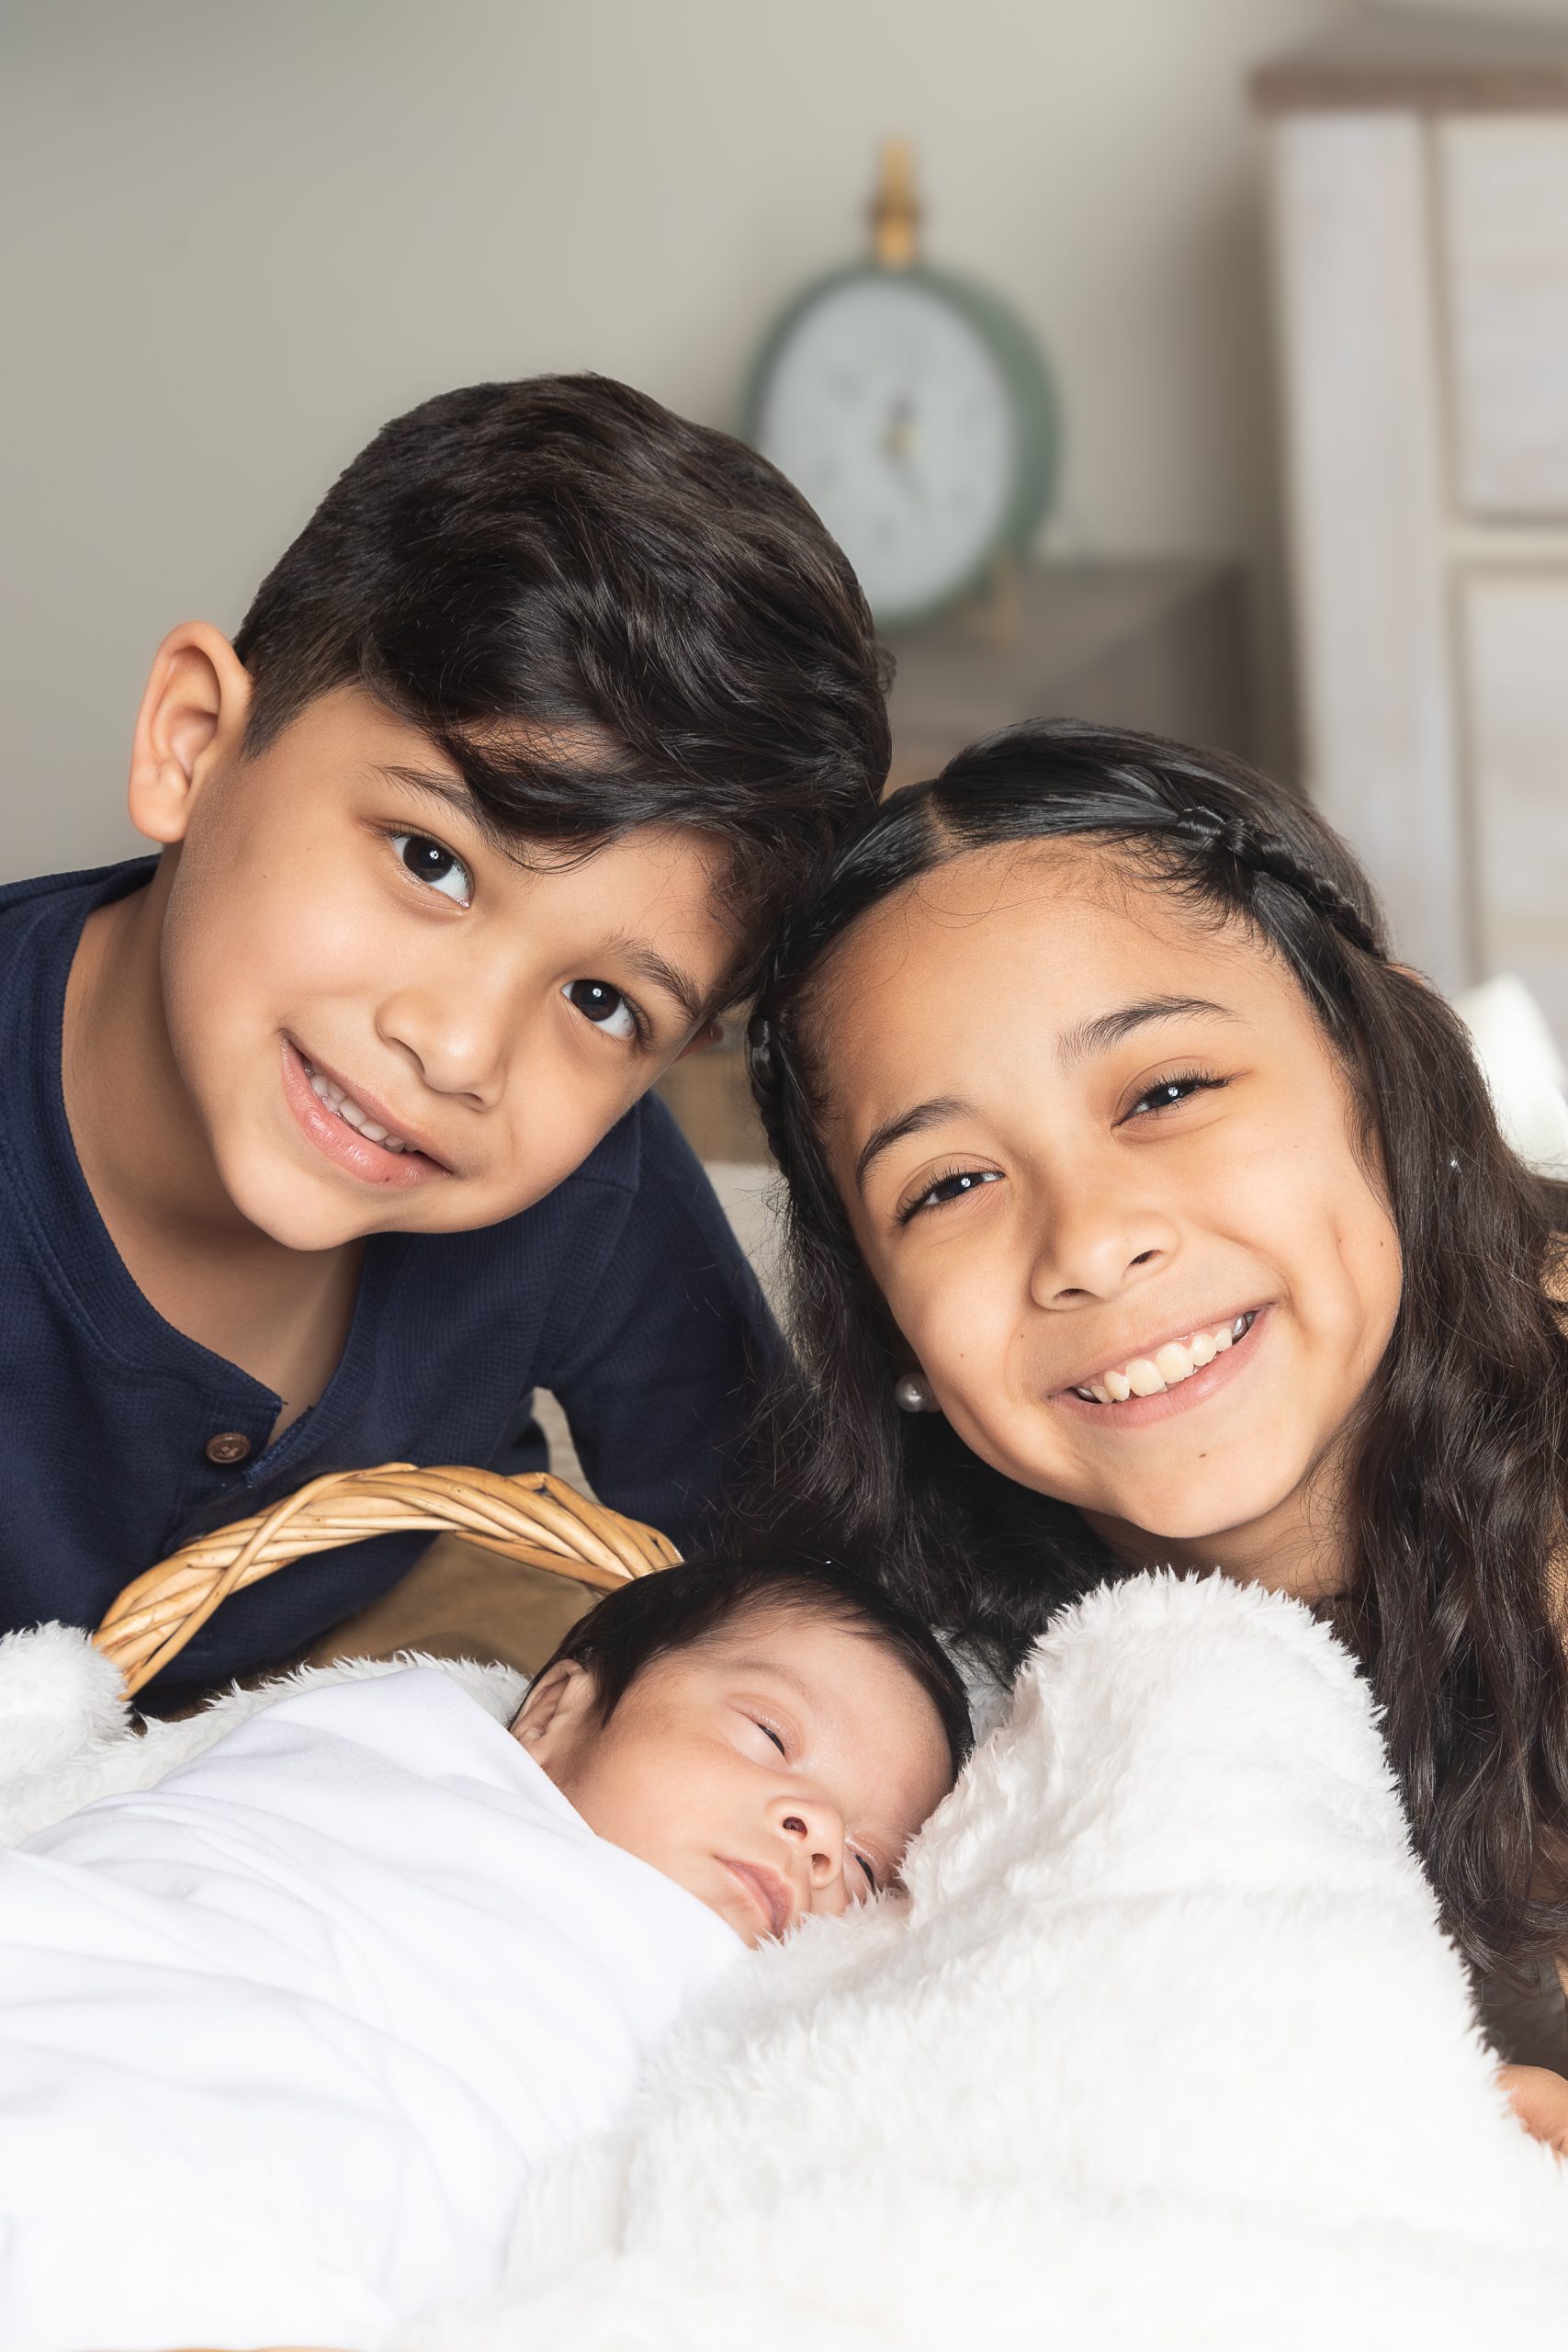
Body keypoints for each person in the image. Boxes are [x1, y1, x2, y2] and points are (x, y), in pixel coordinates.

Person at [0, 373, 890, 1706]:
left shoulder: (592, 1195)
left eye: (602, 1006)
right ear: (191, 744)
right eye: (432, 858)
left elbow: (786, 1586)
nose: (462, 1050)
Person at [741, 716, 1568, 2103]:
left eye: (1165, 1091)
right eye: (945, 1185)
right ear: (880, 1323)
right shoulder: (924, 1694)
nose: (1085, 1242)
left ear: (1388, 1078)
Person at [0, 1556, 969, 2350]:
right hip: (114, 1983)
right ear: (553, 1711)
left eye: (862, 1860)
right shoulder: (394, 1745)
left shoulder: (760, 2003)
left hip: (341, 2173)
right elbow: (183, 1846)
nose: (813, 1830)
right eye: (768, 1734)